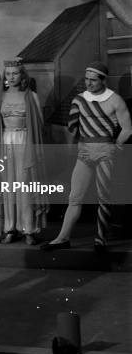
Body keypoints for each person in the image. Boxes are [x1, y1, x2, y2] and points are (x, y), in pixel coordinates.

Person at [42, 61, 132, 252]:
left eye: (93, 80)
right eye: (86, 79)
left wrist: (116, 146)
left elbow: (127, 128)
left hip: (105, 153)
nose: (88, 83)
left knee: (103, 197)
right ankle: (62, 238)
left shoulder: (115, 100)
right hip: (84, 154)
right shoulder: (79, 100)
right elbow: (73, 127)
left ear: (103, 80)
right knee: (74, 198)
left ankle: (100, 240)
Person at [0, 58, 47, 245]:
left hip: (24, 141)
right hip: (5, 141)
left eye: (15, 73)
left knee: (24, 184)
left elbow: (39, 125)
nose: (11, 77)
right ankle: (10, 228)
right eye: (8, 73)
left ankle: (28, 229)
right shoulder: (0, 97)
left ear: (22, 75)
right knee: (8, 185)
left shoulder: (31, 97)